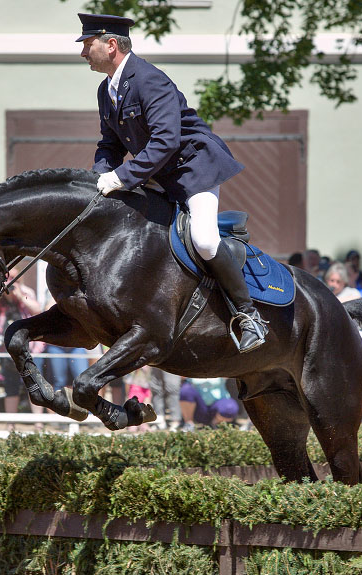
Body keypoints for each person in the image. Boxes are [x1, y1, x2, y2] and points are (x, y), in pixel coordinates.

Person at [78, 13, 267, 354]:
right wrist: (98, 179)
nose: (82, 53)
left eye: (87, 45)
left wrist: (121, 177)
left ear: (110, 45)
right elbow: (110, 144)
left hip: (192, 171)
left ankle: (249, 316)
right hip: (158, 175)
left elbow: (166, 141)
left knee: (205, 241)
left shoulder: (150, 80)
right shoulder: (106, 90)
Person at [0, 270, 44, 420]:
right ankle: (10, 424)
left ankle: (38, 423)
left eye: (13, 278)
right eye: (6, 278)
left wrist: (19, 296)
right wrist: (0, 293)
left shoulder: (26, 291)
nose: (10, 281)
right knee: (10, 386)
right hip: (7, 351)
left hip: (31, 350)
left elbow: (37, 310)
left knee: (34, 385)